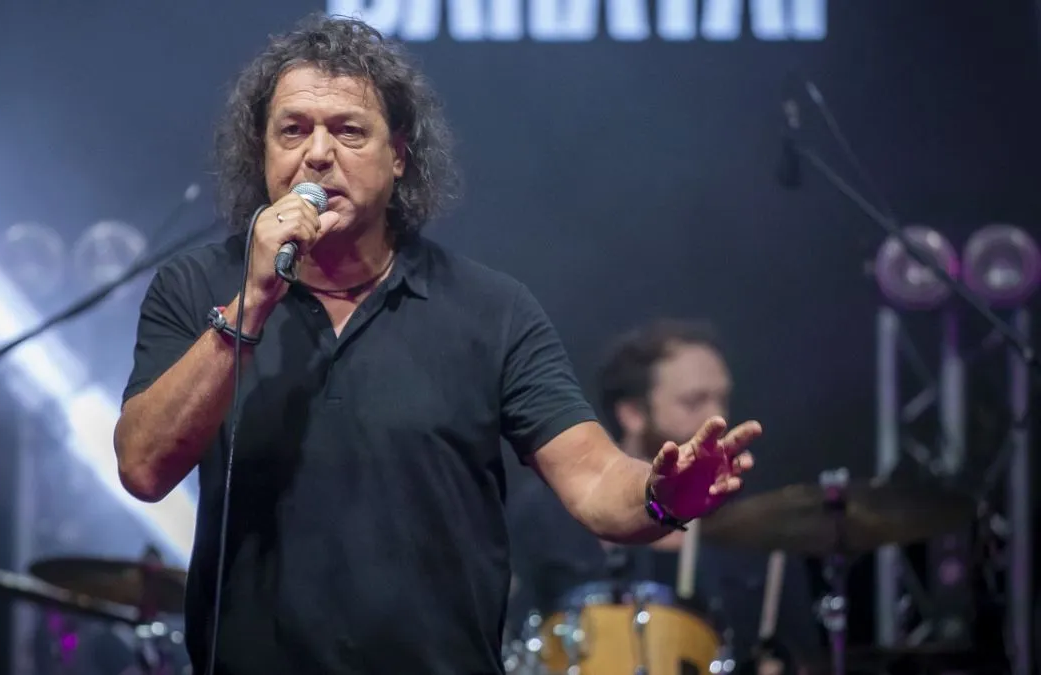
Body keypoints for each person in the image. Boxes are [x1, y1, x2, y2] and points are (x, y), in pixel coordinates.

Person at [112, 14, 762, 675]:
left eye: (348, 130)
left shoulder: (490, 309)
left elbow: (594, 477)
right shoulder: (198, 288)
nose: (317, 153)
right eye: (293, 130)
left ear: (399, 155)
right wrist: (249, 304)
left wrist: (662, 493)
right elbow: (143, 467)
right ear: (263, 151)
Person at [507, 320, 821, 673]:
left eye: (722, 398)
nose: (717, 415)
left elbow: (803, 656)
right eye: (693, 401)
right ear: (633, 414)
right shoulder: (546, 513)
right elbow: (511, 643)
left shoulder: (758, 520)